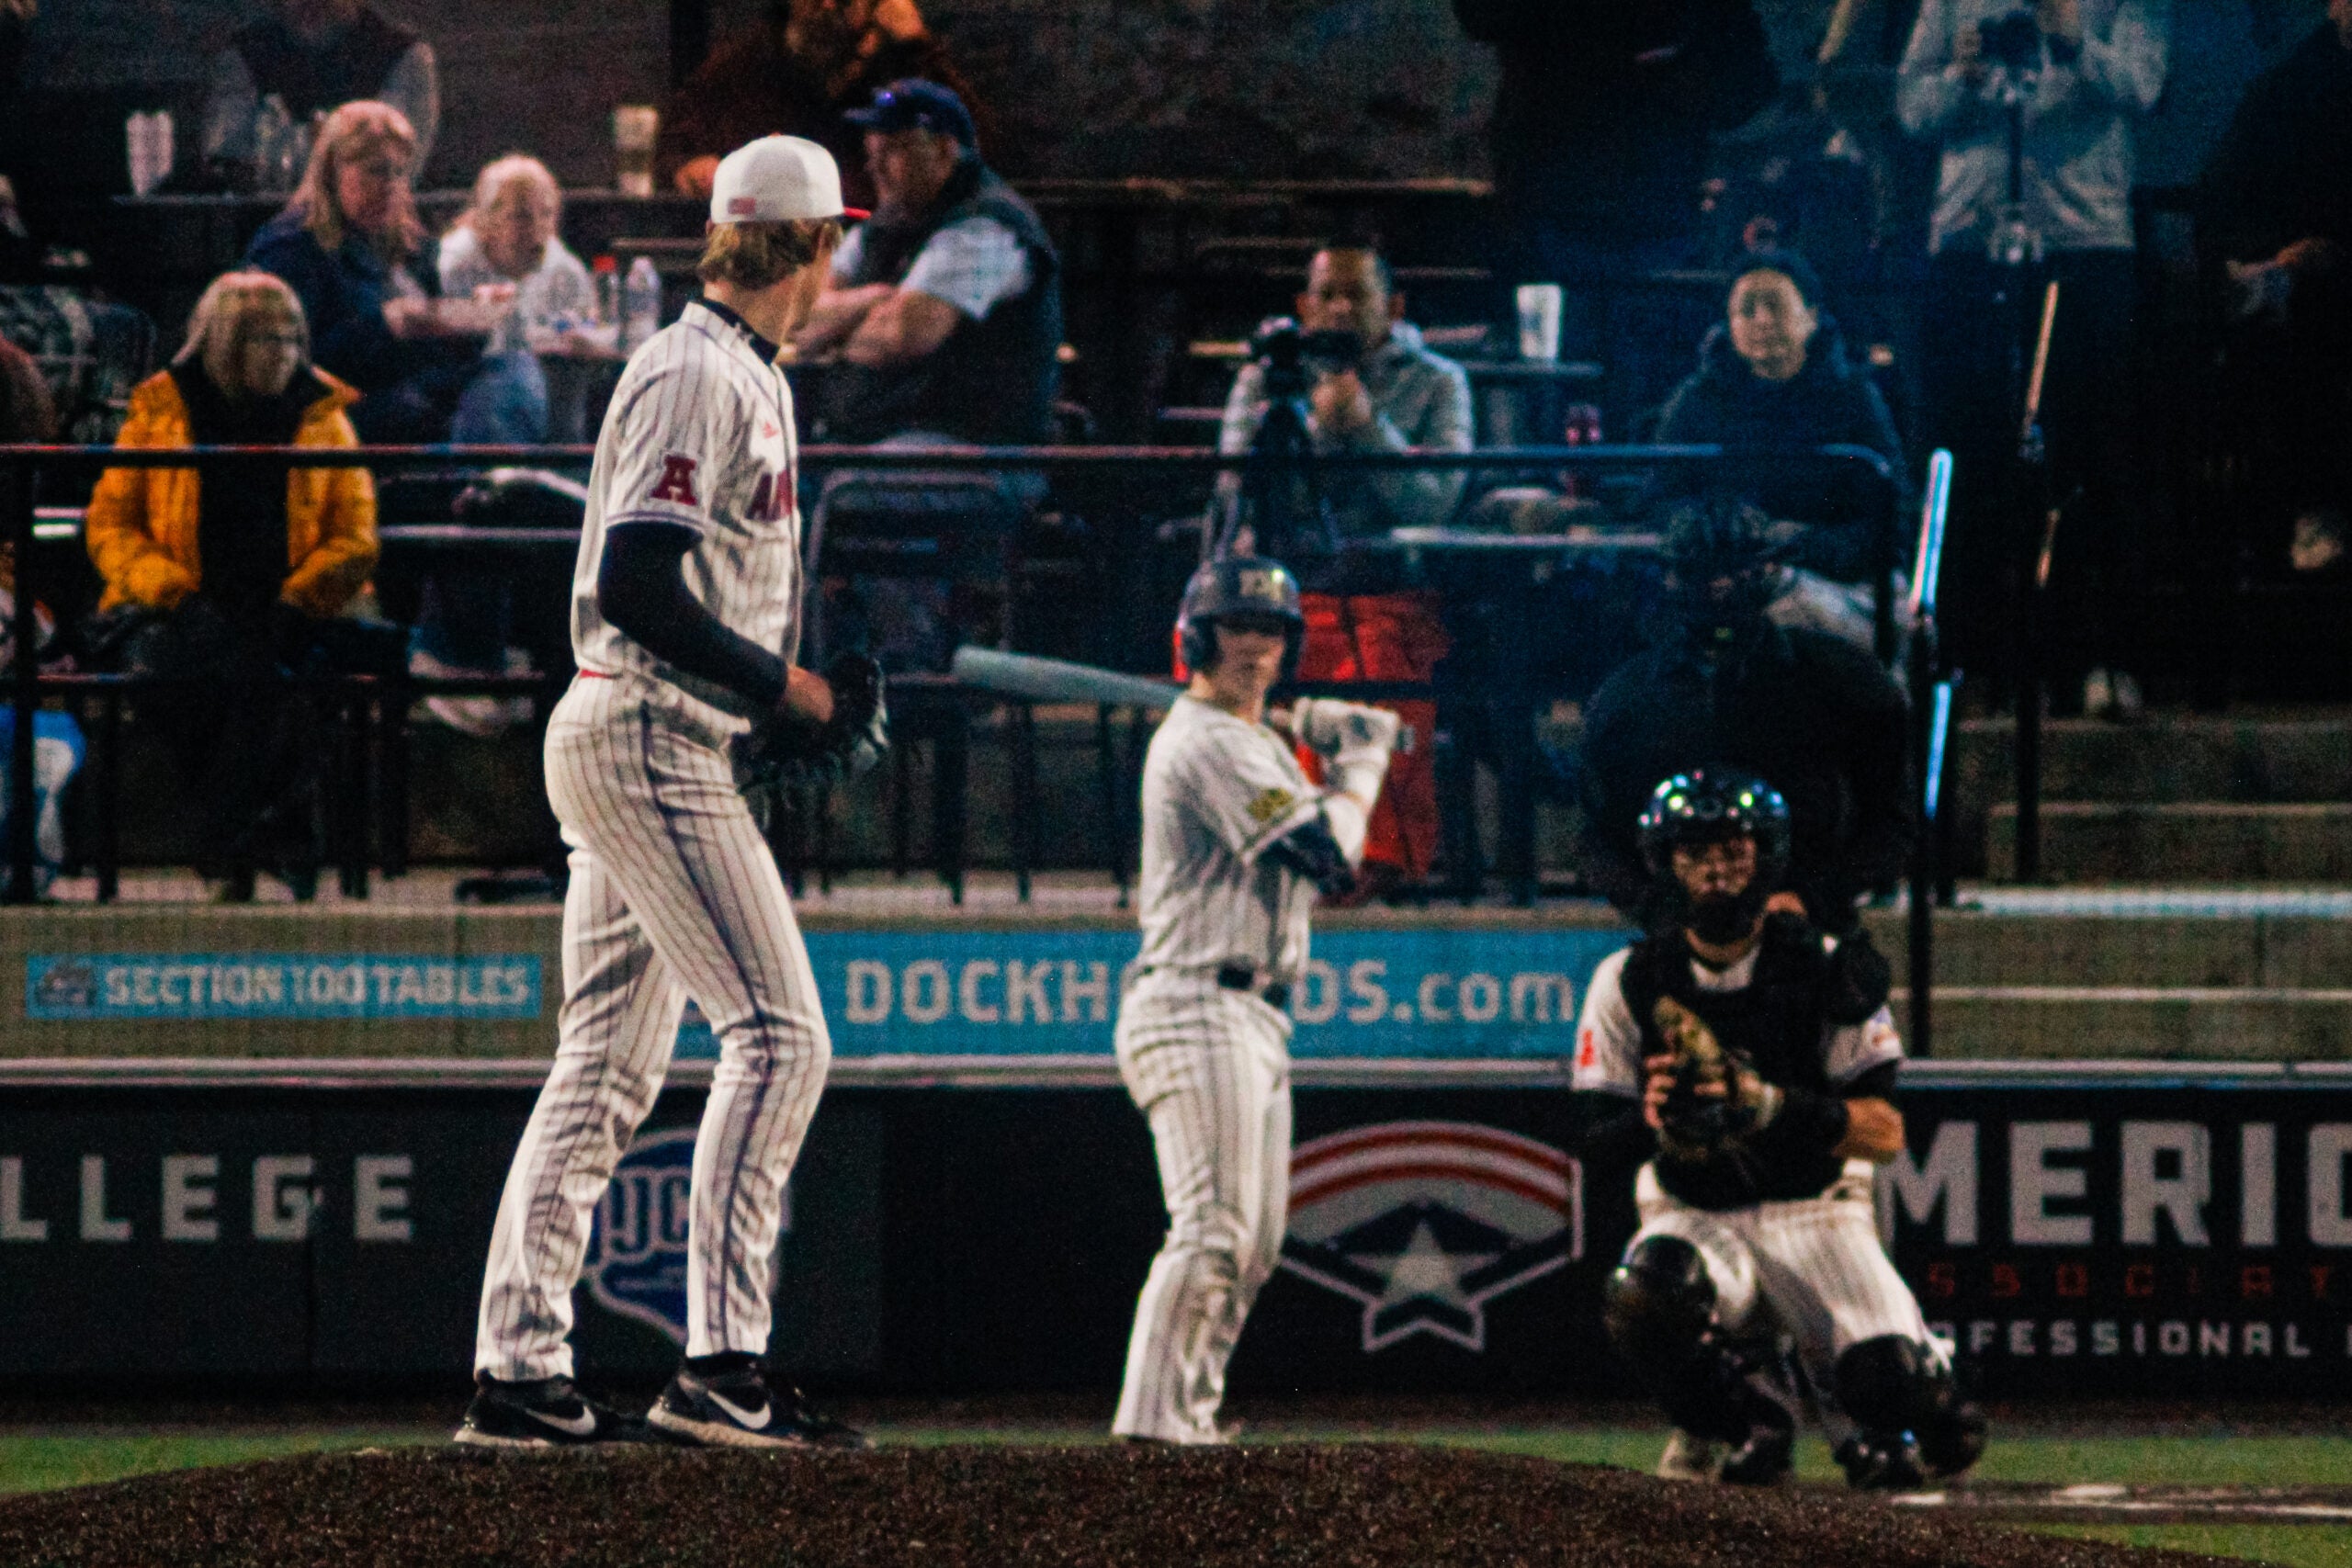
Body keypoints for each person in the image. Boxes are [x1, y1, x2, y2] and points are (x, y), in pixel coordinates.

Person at [459, 136, 882, 1450]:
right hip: (646, 729)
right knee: (781, 1035)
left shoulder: (734, 368)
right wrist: (788, 690)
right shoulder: (697, 367)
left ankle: (520, 1371)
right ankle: (721, 1364)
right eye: (834, 239)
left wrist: (759, 699)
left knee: (605, 1068)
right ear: (812, 245)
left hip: (646, 729)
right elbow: (642, 583)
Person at [1574, 769, 1987, 1489]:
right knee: (1646, 1295)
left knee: (1895, 1389)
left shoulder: (1825, 966)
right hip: (1693, 1211)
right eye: (1695, 851)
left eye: (1732, 850)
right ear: (1664, 862)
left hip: (1815, 1209)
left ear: (1765, 857)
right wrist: (1657, 1120)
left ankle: (1926, 1389)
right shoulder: (1628, 977)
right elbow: (1593, 1138)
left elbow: (1883, 1131)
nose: (1716, 870)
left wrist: (1764, 1104)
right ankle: (1742, 1417)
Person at [1113, 556, 1401, 1445]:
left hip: (1251, 1010)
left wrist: (1316, 738)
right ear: (1197, 637)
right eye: (1235, 627)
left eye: (1270, 630)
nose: (1253, 645)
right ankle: (1153, 1433)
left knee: (1251, 1245)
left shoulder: (1250, 740)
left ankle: (1189, 1421)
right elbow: (1327, 859)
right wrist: (1362, 762)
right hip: (1198, 1001)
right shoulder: (1209, 740)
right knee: (1212, 1231)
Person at [1897, 0, 2170, 716]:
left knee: (2092, 453)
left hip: (2085, 241)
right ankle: (1970, 654)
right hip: (1970, 240)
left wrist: (2076, 40)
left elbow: (2144, 88)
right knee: (1969, 448)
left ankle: (2103, 654)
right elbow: (1910, 108)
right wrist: (1959, 76)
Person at [84, 270, 382, 900]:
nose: (287, 353)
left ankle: (227, 841)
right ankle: (268, 839)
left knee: (284, 677)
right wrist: (175, 596)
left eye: (293, 338)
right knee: (181, 671)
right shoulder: (161, 411)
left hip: (292, 607)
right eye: (268, 339)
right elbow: (111, 525)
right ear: (224, 343)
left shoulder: (322, 413)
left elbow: (354, 537)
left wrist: (298, 601)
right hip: (180, 606)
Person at [1205, 243, 1465, 892]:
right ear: (1304, 305)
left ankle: (1372, 863)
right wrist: (1315, 430)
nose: (1341, 309)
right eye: (1327, 295)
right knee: (1238, 663)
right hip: (1291, 588)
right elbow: (1237, 487)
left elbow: (1436, 500)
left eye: (1359, 295)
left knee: (1379, 670)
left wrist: (1367, 427)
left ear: (1394, 306)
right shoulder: (1267, 376)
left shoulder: (1437, 380)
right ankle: (1270, 855)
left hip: (1390, 585)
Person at [1576, 498, 1911, 934]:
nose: (1721, 589)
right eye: (1705, 576)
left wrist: (1813, 898)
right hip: (1676, 944)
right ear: (1673, 578)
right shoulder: (1628, 698)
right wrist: (1663, 912)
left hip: (1805, 933)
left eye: (1736, 574)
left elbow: (1895, 820)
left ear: (1767, 575)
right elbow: (1597, 839)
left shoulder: (1840, 678)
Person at [1451, 0, 1777, 346]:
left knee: (1626, 348)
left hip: (1639, 203)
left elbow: (1748, 78)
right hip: (1566, 199)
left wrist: (1681, 80)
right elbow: (1481, 18)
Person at [419, 153, 599, 735]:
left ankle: (555, 667)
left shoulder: (564, 269)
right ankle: (463, 656)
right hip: (462, 414)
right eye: (523, 216)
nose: (538, 229)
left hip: (552, 423)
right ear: (484, 218)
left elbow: (586, 339)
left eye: (548, 214)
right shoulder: (452, 263)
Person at [246, 100, 544, 446]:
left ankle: (490, 485)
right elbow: (285, 369)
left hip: (420, 400)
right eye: (376, 171)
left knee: (515, 366)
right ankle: (482, 486)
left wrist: (469, 320)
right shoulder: (291, 248)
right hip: (343, 414)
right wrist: (388, 324)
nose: (390, 185)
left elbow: (433, 355)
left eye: (400, 172)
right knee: (429, 408)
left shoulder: (411, 245)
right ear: (332, 172)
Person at [1654, 250, 1906, 650]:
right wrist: (1711, 531)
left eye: (1775, 306)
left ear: (1811, 314)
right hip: (1725, 581)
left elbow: (1891, 519)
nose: (1762, 321)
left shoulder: (1853, 399)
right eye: (1747, 310)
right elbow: (1661, 496)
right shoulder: (1697, 400)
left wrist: (1801, 545)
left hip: (1833, 580)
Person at [795, 79, 1058, 446]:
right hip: (869, 433)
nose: (875, 167)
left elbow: (903, 335)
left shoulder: (985, 229)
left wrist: (836, 335)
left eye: (892, 152)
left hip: (965, 449)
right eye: (872, 152)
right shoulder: (882, 226)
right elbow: (801, 318)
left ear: (944, 150)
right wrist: (875, 299)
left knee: (851, 488)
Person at [2196, 0, 2352, 580]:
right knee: (2289, 318)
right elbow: (2223, 204)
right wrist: (2281, 256)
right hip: (2306, 288)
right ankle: (2313, 508)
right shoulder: (2288, 89)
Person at [658, 0, 983, 212]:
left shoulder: (904, 66)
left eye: (843, 2)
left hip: (882, 253)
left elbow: (978, 155)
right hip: (773, 256)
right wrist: (688, 167)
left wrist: (917, 46)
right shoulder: (746, 63)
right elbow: (675, 144)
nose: (826, 5)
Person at [202, 0, 440, 179]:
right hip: (263, 223)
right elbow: (226, 155)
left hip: (369, 227)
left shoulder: (402, 54)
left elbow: (399, 166)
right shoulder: (247, 51)